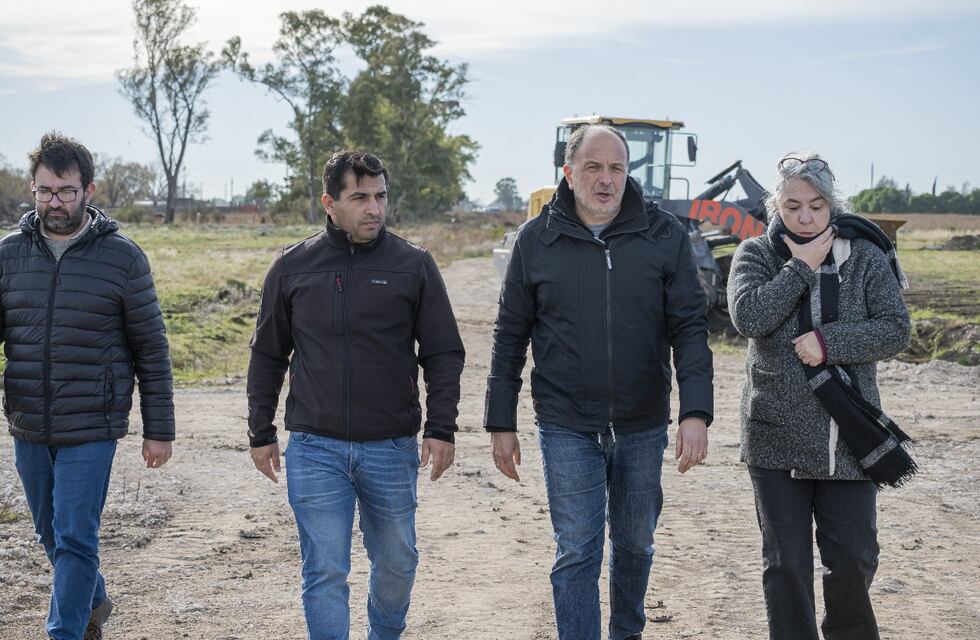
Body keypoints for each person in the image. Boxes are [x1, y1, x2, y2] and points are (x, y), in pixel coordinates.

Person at [484, 125, 714, 640]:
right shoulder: (535, 241)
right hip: (566, 422)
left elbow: (689, 329)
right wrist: (501, 420)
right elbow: (509, 334)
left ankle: (627, 632)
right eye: (593, 167)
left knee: (635, 545)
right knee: (577, 550)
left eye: (616, 168)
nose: (606, 179)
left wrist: (695, 412)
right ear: (569, 173)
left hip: (642, 422)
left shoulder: (665, 236)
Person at [246, 151, 465, 640]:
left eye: (380, 196)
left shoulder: (413, 265)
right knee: (325, 569)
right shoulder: (292, 266)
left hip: (390, 445)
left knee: (398, 561)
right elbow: (267, 354)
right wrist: (260, 431)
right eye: (360, 197)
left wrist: (441, 427)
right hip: (315, 446)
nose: (374, 208)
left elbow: (444, 352)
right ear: (330, 203)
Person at [727, 152, 913, 640]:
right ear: (776, 206)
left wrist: (828, 343)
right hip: (775, 436)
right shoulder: (755, 254)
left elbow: (895, 329)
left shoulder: (865, 256)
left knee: (853, 558)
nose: (805, 217)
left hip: (847, 435)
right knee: (786, 565)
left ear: (832, 206)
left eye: (816, 206)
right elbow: (749, 317)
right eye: (792, 206)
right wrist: (801, 268)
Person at [3, 132, 175, 640]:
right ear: (33, 190)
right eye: (45, 191)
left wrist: (158, 429)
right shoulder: (9, 254)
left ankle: (67, 631)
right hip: (28, 421)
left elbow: (151, 349)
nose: (54, 202)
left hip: (93, 425)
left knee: (76, 534)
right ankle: (93, 601)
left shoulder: (122, 258)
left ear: (89, 191)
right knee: (49, 532)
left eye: (65, 191)